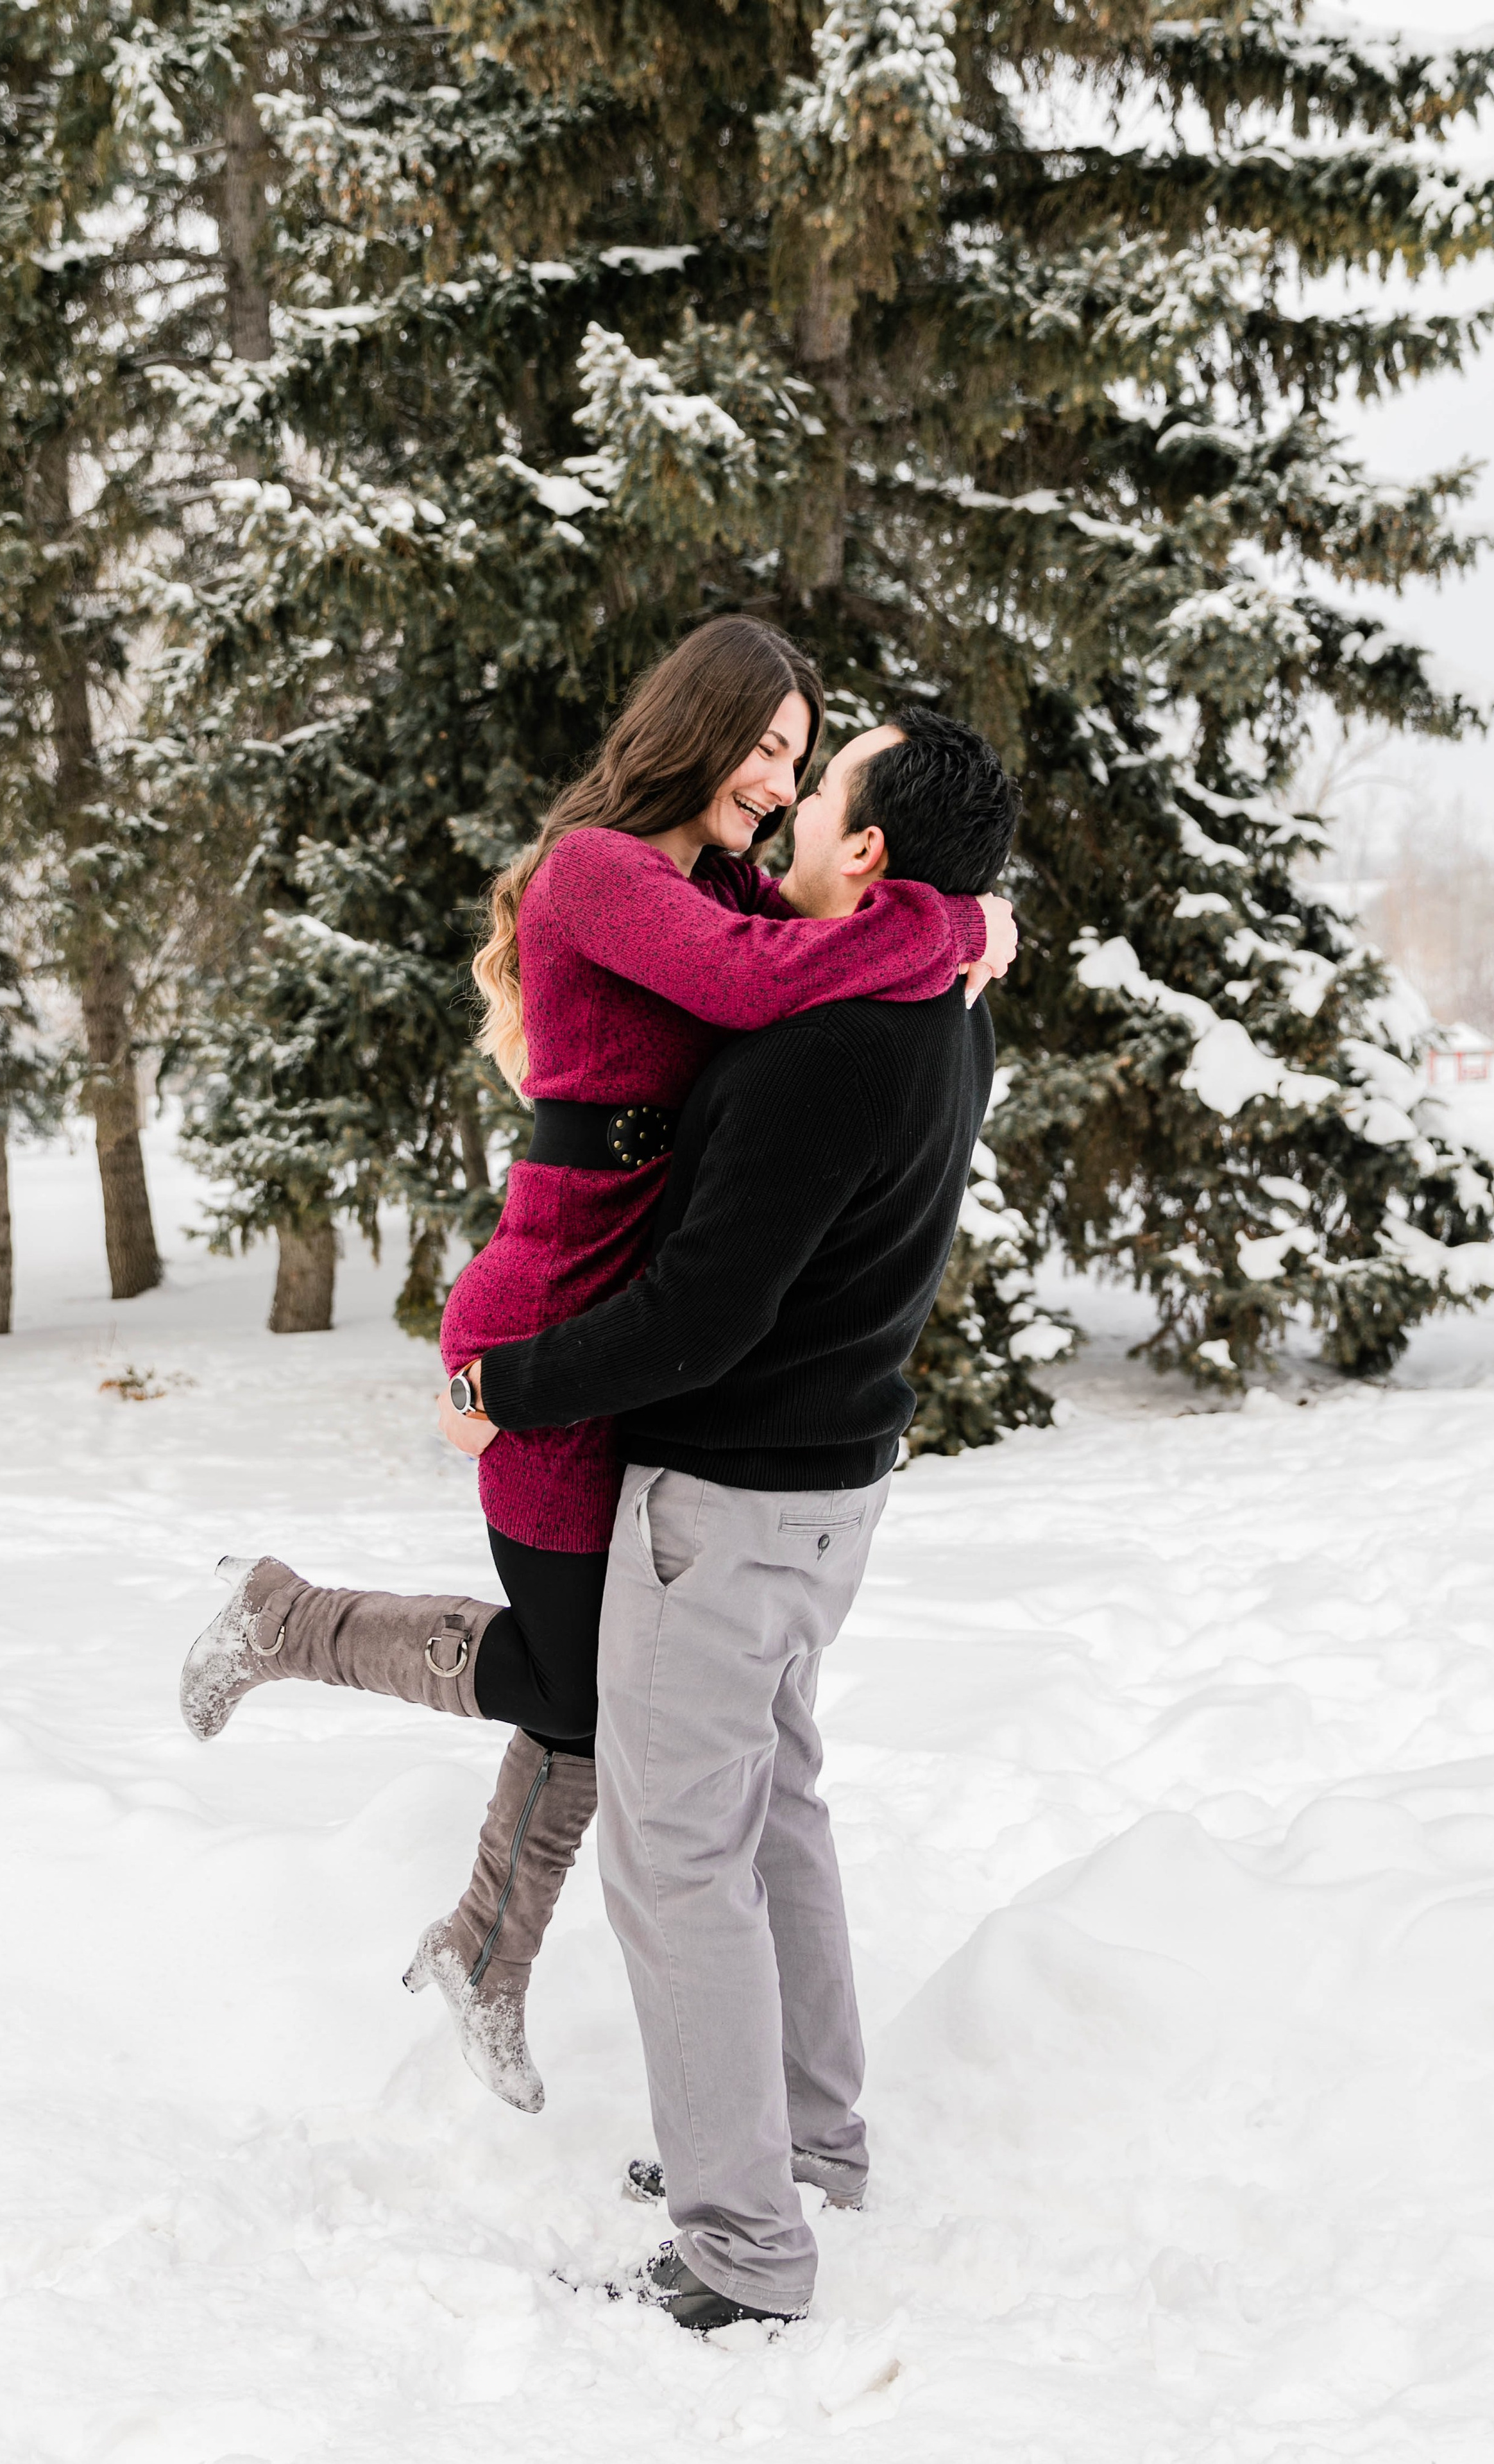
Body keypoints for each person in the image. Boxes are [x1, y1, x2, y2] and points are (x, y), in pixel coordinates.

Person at [179, 618, 1016, 2114]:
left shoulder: (725, 880)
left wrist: (948, 917)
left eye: (796, 757)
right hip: (552, 1320)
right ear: (694, 728)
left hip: (637, 1330)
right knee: (575, 1682)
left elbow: (814, 939)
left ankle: (482, 1956)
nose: (777, 778)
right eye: (761, 744)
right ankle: (288, 1620)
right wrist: (956, 925)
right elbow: (766, 983)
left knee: (585, 1699)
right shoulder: (602, 874)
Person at [443, 705, 1018, 2331]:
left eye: (819, 784)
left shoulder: (824, 1041)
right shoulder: (942, 1004)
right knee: (776, 1816)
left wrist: (513, 1385)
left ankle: (741, 2247)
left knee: (676, 1859)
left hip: (726, 1502)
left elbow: (699, 1316)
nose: (791, 807)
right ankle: (805, 2148)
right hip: (832, 1495)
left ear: (871, 854)